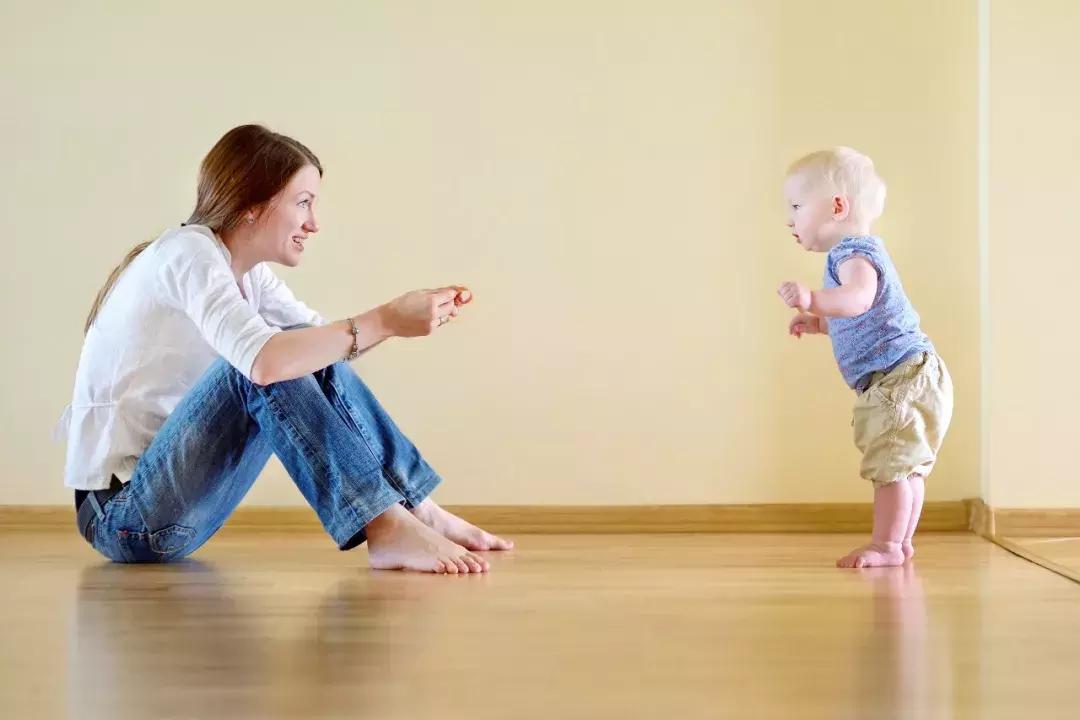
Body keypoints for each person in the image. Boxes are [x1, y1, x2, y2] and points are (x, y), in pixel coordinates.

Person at [57, 124, 512, 573]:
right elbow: (266, 362)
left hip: (170, 508)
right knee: (259, 364)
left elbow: (328, 345)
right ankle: (385, 524)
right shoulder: (186, 253)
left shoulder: (247, 273)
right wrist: (385, 318)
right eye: (303, 203)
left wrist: (400, 319)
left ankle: (416, 508)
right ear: (252, 205)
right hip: (123, 517)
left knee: (302, 347)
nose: (314, 223)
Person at [777, 147, 953, 568]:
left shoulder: (852, 254)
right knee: (906, 467)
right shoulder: (861, 252)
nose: (790, 218)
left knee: (891, 466)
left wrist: (813, 299)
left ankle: (887, 545)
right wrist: (820, 323)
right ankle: (901, 541)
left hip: (898, 378)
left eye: (797, 206)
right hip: (914, 372)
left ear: (837, 206)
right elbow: (861, 315)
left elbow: (859, 299)